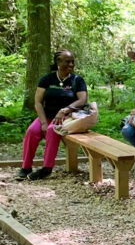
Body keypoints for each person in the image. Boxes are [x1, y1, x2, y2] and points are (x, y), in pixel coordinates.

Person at [17, 50, 88, 180]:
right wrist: (43, 122)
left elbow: (82, 100)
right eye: (67, 61)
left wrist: (65, 110)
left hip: (68, 117)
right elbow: (38, 102)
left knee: (52, 130)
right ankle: (26, 166)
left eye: (73, 61)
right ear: (58, 62)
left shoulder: (77, 80)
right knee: (32, 131)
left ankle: (47, 168)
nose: (71, 64)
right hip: (47, 116)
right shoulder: (47, 79)